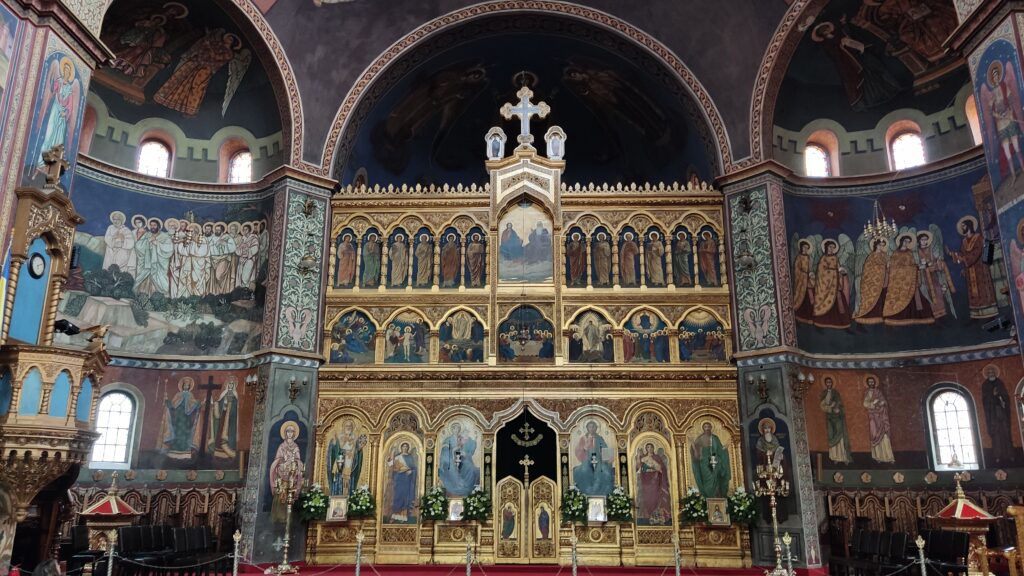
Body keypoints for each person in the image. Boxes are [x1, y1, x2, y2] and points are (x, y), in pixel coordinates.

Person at [947, 216, 998, 319]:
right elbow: (962, 254)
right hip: (970, 272)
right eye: (962, 226)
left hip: (980, 270)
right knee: (973, 294)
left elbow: (976, 252)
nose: (962, 228)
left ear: (969, 226)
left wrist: (963, 259)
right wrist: (952, 254)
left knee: (983, 291)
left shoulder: (978, 238)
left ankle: (989, 313)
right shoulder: (964, 241)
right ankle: (976, 314)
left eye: (964, 226)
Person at [882, 234, 934, 326]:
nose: (906, 243)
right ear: (901, 241)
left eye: (908, 242)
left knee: (918, 298)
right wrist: (909, 269)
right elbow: (893, 268)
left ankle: (922, 319)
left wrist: (918, 267)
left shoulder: (909, 253)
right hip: (898, 281)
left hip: (909, 280)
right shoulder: (895, 253)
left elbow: (912, 264)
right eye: (905, 241)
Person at [269, 421, 303, 524]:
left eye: (292, 431)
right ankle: (278, 517)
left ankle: (288, 518)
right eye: (288, 431)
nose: (290, 433)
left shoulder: (296, 447)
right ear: (285, 433)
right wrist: (283, 463)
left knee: (289, 494)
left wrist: (293, 462)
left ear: (294, 433)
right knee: (280, 494)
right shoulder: (282, 446)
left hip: (291, 475)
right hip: (282, 473)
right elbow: (277, 460)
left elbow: (298, 460)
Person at [813, 239, 851, 328]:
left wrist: (842, 272)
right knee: (826, 302)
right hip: (826, 286)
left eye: (833, 247)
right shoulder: (823, 258)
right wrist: (834, 272)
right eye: (830, 247)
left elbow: (838, 268)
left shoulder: (835, 258)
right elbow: (821, 272)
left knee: (840, 301)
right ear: (826, 247)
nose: (832, 249)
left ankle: (843, 323)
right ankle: (820, 323)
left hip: (835, 284)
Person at [160, 377, 201, 460]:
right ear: (182, 386)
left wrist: (198, 403)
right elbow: (173, 404)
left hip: (186, 419)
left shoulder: (190, 395)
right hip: (178, 417)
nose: (186, 386)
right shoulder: (178, 394)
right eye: (185, 385)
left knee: (185, 433)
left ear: (189, 387)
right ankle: (174, 450)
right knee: (176, 432)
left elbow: (193, 403)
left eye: (188, 385)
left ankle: (185, 451)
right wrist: (167, 401)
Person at [982, 365, 1014, 465]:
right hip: (993, 414)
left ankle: (1010, 455)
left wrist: (1002, 400)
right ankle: (997, 456)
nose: (991, 374)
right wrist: (992, 395)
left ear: (995, 373)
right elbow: (985, 400)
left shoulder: (1000, 383)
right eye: (989, 372)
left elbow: (1005, 396)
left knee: (1006, 434)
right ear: (987, 374)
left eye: (993, 372)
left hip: (1002, 412)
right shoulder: (985, 385)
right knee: (996, 436)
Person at [573, 420, 615, 495]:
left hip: (599, 460)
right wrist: (585, 447)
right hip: (586, 460)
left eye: (593, 427)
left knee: (604, 471)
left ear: (596, 428)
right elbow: (578, 450)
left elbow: (606, 450)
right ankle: (586, 491)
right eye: (590, 427)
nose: (592, 428)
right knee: (584, 470)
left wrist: (606, 457)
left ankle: (601, 492)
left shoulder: (600, 438)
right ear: (587, 428)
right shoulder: (583, 438)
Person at [438, 421, 479, 497]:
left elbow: (466, 449)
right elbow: (445, 451)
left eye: (458, 429)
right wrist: (453, 451)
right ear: (452, 429)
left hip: (461, 459)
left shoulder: (461, 438)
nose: (456, 430)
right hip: (450, 460)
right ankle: (458, 486)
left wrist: (473, 440)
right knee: (452, 469)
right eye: (455, 428)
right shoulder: (448, 439)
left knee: (470, 467)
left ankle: (466, 487)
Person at [853, 238, 888, 325]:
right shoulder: (871, 256)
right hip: (872, 282)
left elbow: (887, 265)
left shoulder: (884, 255)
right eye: (880, 245)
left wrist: (886, 268)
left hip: (883, 281)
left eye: (883, 245)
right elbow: (867, 269)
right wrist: (881, 268)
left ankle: (880, 316)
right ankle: (868, 316)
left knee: (882, 298)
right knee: (871, 298)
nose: (881, 247)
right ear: (876, 245)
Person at [690, 421, 730, 498]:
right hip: (704, 461)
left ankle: (716, 496)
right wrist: (693, 447)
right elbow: (695, 452)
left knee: (715, 477)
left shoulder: (715, 438)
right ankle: (708, 496)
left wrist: (724, 449)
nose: (707, 428)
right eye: (705, 427)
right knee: (708, 478)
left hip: (715, 460)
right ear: (703, 428)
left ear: (711, 428)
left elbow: (720, 450)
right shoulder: (700, 438)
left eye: (708, 427)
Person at [134, 217, 172, 296]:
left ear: (158, 226)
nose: (152, 227)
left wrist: (157, 243)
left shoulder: (165, 236)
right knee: (144, 283)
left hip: (158, 265)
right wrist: (148, 240)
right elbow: (138, 246)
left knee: (161, 280)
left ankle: (162, 296)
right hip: (147, 264)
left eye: (154, 225)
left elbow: (169, 248)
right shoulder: (147, 235)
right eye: (151, 225)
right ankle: (144, 296)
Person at [636, 443, 671, 525]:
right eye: (648, 447)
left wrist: (656, 468)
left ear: (653, 448)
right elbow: (638, 468)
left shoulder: (657, 457)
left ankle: (657, 517)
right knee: (647, 498)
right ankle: (648, 516)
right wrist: (638, 456)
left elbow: (662, 469)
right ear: (646, 449)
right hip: (646, 481)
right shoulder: (643, 458)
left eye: (651, 447)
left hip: (655, 481)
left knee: (655, 497)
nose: (649, 448)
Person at [819, 377, 852, 464]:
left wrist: (838, 408)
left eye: (830, 382)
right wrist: (830, 408)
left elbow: (840, 403)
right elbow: (822, 406)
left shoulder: (836, 393)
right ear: (825, 384)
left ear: (832, 383)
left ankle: (844, 457)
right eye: (827, 382)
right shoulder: (824, 393)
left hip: (838, 417)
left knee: (840, 433)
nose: (829, 384)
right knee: (832, 435)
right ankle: (835, 457)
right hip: (830, 418)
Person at [863, 376, 894, 463]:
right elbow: (865, 403)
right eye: (870, 382)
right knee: (874, 434)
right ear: (867, 383)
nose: (871, 383)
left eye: (872, 381)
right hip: (873, 416)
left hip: (881, 416)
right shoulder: (867, 392)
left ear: (875, 382)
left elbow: (884, 401)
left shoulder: (878, 391)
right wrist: (873, 403)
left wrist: (882, 403)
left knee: (884, 435)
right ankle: (878, 456)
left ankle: (888, 457)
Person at [385, 442, 417, 523]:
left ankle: (403, 517)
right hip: (399, 479)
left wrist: (411, 471)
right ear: (401, 447)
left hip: (407, 479)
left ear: (408, 448)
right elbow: (390, 464)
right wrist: (392, 452)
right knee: (397, 496)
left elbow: (414, 468)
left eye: (406, 446)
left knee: (405, 497)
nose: (405, 448)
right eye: (403, 446)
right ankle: (394, 516)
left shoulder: (410, 457)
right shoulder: (398, 457)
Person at [208, 377, 238, 460]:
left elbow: (236, 406)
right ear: (227, 385)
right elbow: (220, 402)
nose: (231, 385)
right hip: (224, 415)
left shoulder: (235, 394)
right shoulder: (224, 394)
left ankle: (228, 451)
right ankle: (218, 451)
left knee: (229, 433)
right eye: (229, 384)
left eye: (232, 384)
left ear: (234, 385)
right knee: (220, 431)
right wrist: (217, 403)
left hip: (231, 419)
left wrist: (231, 404)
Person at [103, 211, 136, 276]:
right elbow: (107, 238)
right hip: (111, 252)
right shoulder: (110, 228)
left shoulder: (126, 230)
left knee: (120, 271)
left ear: (121, 220)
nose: (116, 221)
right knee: (108, 269)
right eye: (114, 219)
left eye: (117, 219)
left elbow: (131, 243)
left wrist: (123, 239)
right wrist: (114, 236)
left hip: (122, 254)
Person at [792, 239, 815, 323]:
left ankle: (810, 317)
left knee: (810, 298)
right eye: (804, 247)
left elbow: (810, 268)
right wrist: (803, 274)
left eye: (807, 248)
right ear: (801, 247)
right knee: (801, 298)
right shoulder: (799, 257)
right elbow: (797, 269)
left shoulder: (808, 257)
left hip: (808, 280)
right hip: (801, 281)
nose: (805, 249)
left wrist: (811, 274)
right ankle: (799, 316)